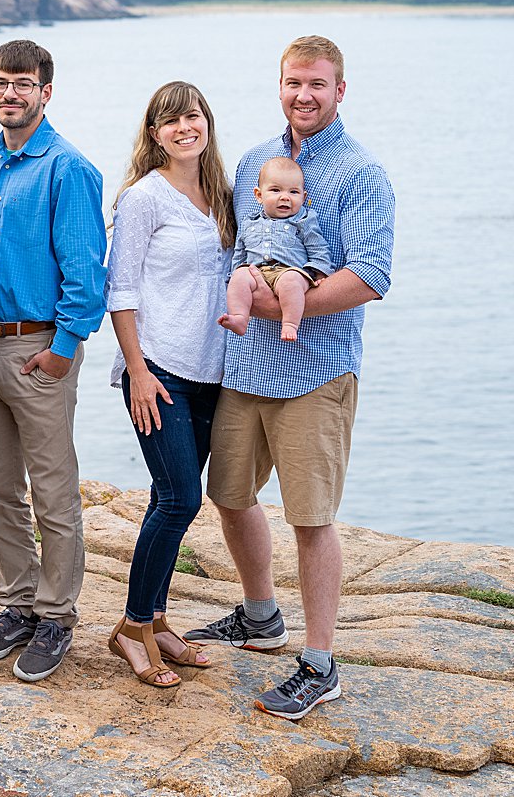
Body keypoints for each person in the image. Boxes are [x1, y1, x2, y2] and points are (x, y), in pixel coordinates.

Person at [187, 35, 395, 720]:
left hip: (315, 371)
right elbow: (227, 245)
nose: (303, 95)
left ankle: (321, 661)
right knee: (229, 493)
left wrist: (279, 303)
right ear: (279, 86)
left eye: (317, 84)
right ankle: (259, 614)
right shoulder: (254, 161)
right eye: (292, 82)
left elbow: (370, 274)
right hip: (245, 366)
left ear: (340, 91)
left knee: (310, 518)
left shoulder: (361, 173)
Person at [0, 38, 107, 682]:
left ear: (46, 91)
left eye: (21, 83)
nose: (9, 93)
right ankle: (15, 604)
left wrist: (63, 351)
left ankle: (56, 616)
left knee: (52, 489)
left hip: (36, 349)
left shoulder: (69, 169)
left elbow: (84, 273)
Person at [103, 81, 235, 687]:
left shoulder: (224, 197)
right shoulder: (143, 199)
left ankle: (155, 620)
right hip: (158, 369)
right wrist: (137, 372)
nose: (186, 127)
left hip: (213, 371)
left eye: (194, 116)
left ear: (206, 122)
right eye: (171, 121)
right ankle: (132, 628)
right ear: (154, 135)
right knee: (180, 496)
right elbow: (121, 290)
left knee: (171, 498)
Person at [220, 156, 331, 341]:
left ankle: (290, 323)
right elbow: (240, 253)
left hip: (290, 270)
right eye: (275, 190)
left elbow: (318, 248)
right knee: (239, 277)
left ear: (303, 197)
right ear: (259, 195)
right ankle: (240, 317)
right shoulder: (249, 223)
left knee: (290, 282)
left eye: (293, 192)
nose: (285, 197)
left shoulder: (303, 221)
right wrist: (236, 274)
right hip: (257, 272)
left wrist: (319, 273)